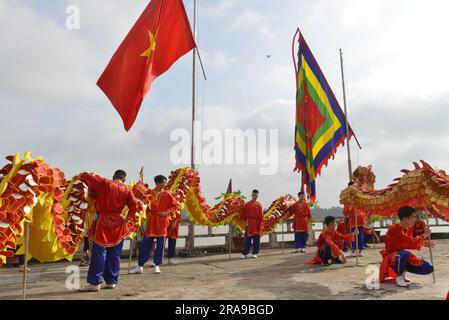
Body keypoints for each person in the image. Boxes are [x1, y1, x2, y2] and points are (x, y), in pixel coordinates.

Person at [78, 170, 138, 292]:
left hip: (103, 220)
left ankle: (95, 283)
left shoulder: (104, 183)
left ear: (113, 176)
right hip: (118, 222)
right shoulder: (127, 189)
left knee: (99, 253)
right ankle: (111, 281)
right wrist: (127, 219)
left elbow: (85, 176)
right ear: (124, 179)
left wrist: (81, 176)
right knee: (114, 254)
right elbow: (134, 206)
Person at [130, 175, 179, 274]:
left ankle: (157, 265)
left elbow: (176, 205)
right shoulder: (149, 193)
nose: (165, 184)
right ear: (158, 183)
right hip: (151, 221)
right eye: (164, 182)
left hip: (162, 222)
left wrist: (166, 212)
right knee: (145, 244)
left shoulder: (167, 194)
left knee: (160, 246)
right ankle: (140, 266)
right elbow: (142, 202)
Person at [379, 206, 434, 287]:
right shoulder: (394, 228)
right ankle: (399, 275)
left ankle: (403, 270)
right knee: (404, 254)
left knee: (428, 268)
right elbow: (409, 242)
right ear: (405, 219)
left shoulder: (408, 228)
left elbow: (408, 242)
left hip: (402, 255)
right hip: (392, 257)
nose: (415, 219)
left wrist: (424, 244)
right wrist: (424, 235)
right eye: (412, 217)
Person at [241, 189, 264, 259]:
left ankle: (255, 253)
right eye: (254, 195)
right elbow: (243, 214)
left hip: (257, 224)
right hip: (249, 223)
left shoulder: (259, 205)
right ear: (251, 195)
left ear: (258, 196)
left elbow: (261, 216)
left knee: (256, 240)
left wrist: (261, 224)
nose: (255, 196)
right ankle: (245, 253)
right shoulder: (247, 204)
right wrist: (246, 221)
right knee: (247, 240)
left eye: (256, 195)